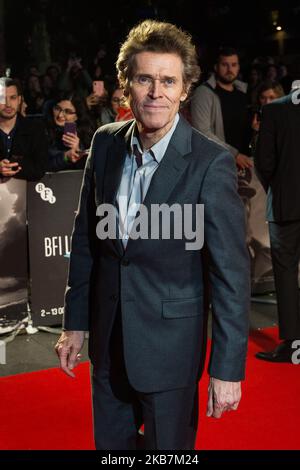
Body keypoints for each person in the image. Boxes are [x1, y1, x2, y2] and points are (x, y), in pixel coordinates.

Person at [55, 20, 250, 450]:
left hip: (171, 354)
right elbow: (87, 239)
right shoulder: (104, 144)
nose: (155, 92)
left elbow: (231, 276)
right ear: (126, 85)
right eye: (145, 79)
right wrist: (75, 324)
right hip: (108, 346)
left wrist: (228, 367)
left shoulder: (210, 163)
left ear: (184, 90)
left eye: (168, 81)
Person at [254, 82, 300, 363]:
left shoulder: (273, 111)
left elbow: (264, 162)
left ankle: (294, 344)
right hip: (285, 203)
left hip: (286, 205)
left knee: (285, 273)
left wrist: (279, 187)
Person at [190, 47, 252, 170]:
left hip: (245, 162)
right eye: (225, 65)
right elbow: (202, 132)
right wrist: (234, 154)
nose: (230, 70)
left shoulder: (243, 92)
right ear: (216, 67)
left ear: (238, 67)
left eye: (234, 65)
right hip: (219, 163)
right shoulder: (203, 93)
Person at [0, 77, 47, 181]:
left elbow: (40, 168)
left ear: (19, 99)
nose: (8, 104)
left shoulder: (35, 129)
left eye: (12, 98)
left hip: (27, 194)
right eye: (2, 98)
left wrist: (11, 167)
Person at [46, 95, 95, 172]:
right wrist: (65, 157)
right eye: (57, 109)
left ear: (77, 116)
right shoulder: (44, 131)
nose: (60, 115)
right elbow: (44, 165)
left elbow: (91, 168)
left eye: (68, 112)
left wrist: (78, 150)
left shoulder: (86, 135)